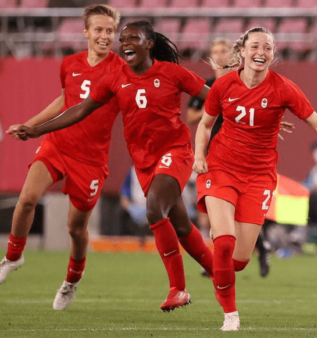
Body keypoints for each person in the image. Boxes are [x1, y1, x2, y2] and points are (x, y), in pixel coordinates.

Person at [8, 20, 214, 313]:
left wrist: (248, 118)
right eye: (123, 39)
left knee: (154, 209)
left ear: (149, 43)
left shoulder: (172, 73)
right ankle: (220, 273)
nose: (125, 43)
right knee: (180, 224)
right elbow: (79, 109)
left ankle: (178, 289)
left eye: (133, 38)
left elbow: (214, 98)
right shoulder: (115, 78)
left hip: (175, 151)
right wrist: (37, 129)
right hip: (143, 160)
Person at [193, 27, 317, 331]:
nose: (261, 52)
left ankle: (227, 247)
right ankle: (230, 315)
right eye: (255, 46)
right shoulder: (223, 85)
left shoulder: (284, 88)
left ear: (273, 54)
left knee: (238, 261)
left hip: (258, 177)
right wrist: (199, 155)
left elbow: (315, 120)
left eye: (267, 47)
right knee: (225, 244)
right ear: (242, 52)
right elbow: (204, 125)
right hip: (221, 169)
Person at [0, 4, 124, 311]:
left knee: (75, 229)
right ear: (86, 32)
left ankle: (71, 281)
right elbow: (64, 100)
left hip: (91, 159)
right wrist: (33, 125)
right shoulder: (69, 63)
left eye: (110, 30)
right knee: (27, 198)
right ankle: (13, 257)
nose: (104, 35)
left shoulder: (121, 70)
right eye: (98, 29)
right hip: (58, 145)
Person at [187, 38, 273, 278]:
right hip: (215, 151)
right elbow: (192, 116)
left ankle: (252, 246)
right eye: (215, 51)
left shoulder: (243, 79)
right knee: (219, 205)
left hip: (243, 154)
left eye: (223, 50)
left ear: (233, 53)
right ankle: (226, 250)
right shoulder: (212, 84)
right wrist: (213, 104)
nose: (220, 55)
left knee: (240, 207)